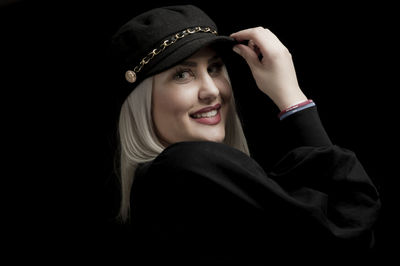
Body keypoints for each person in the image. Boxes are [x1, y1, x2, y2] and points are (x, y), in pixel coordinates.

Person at [110, 4, 380, 264]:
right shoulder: (185, 165)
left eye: (214, 68)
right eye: (182, 74)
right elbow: (349, 230)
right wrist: (292, 98)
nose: (212, 90)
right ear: (143, 100)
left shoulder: (165, 184)